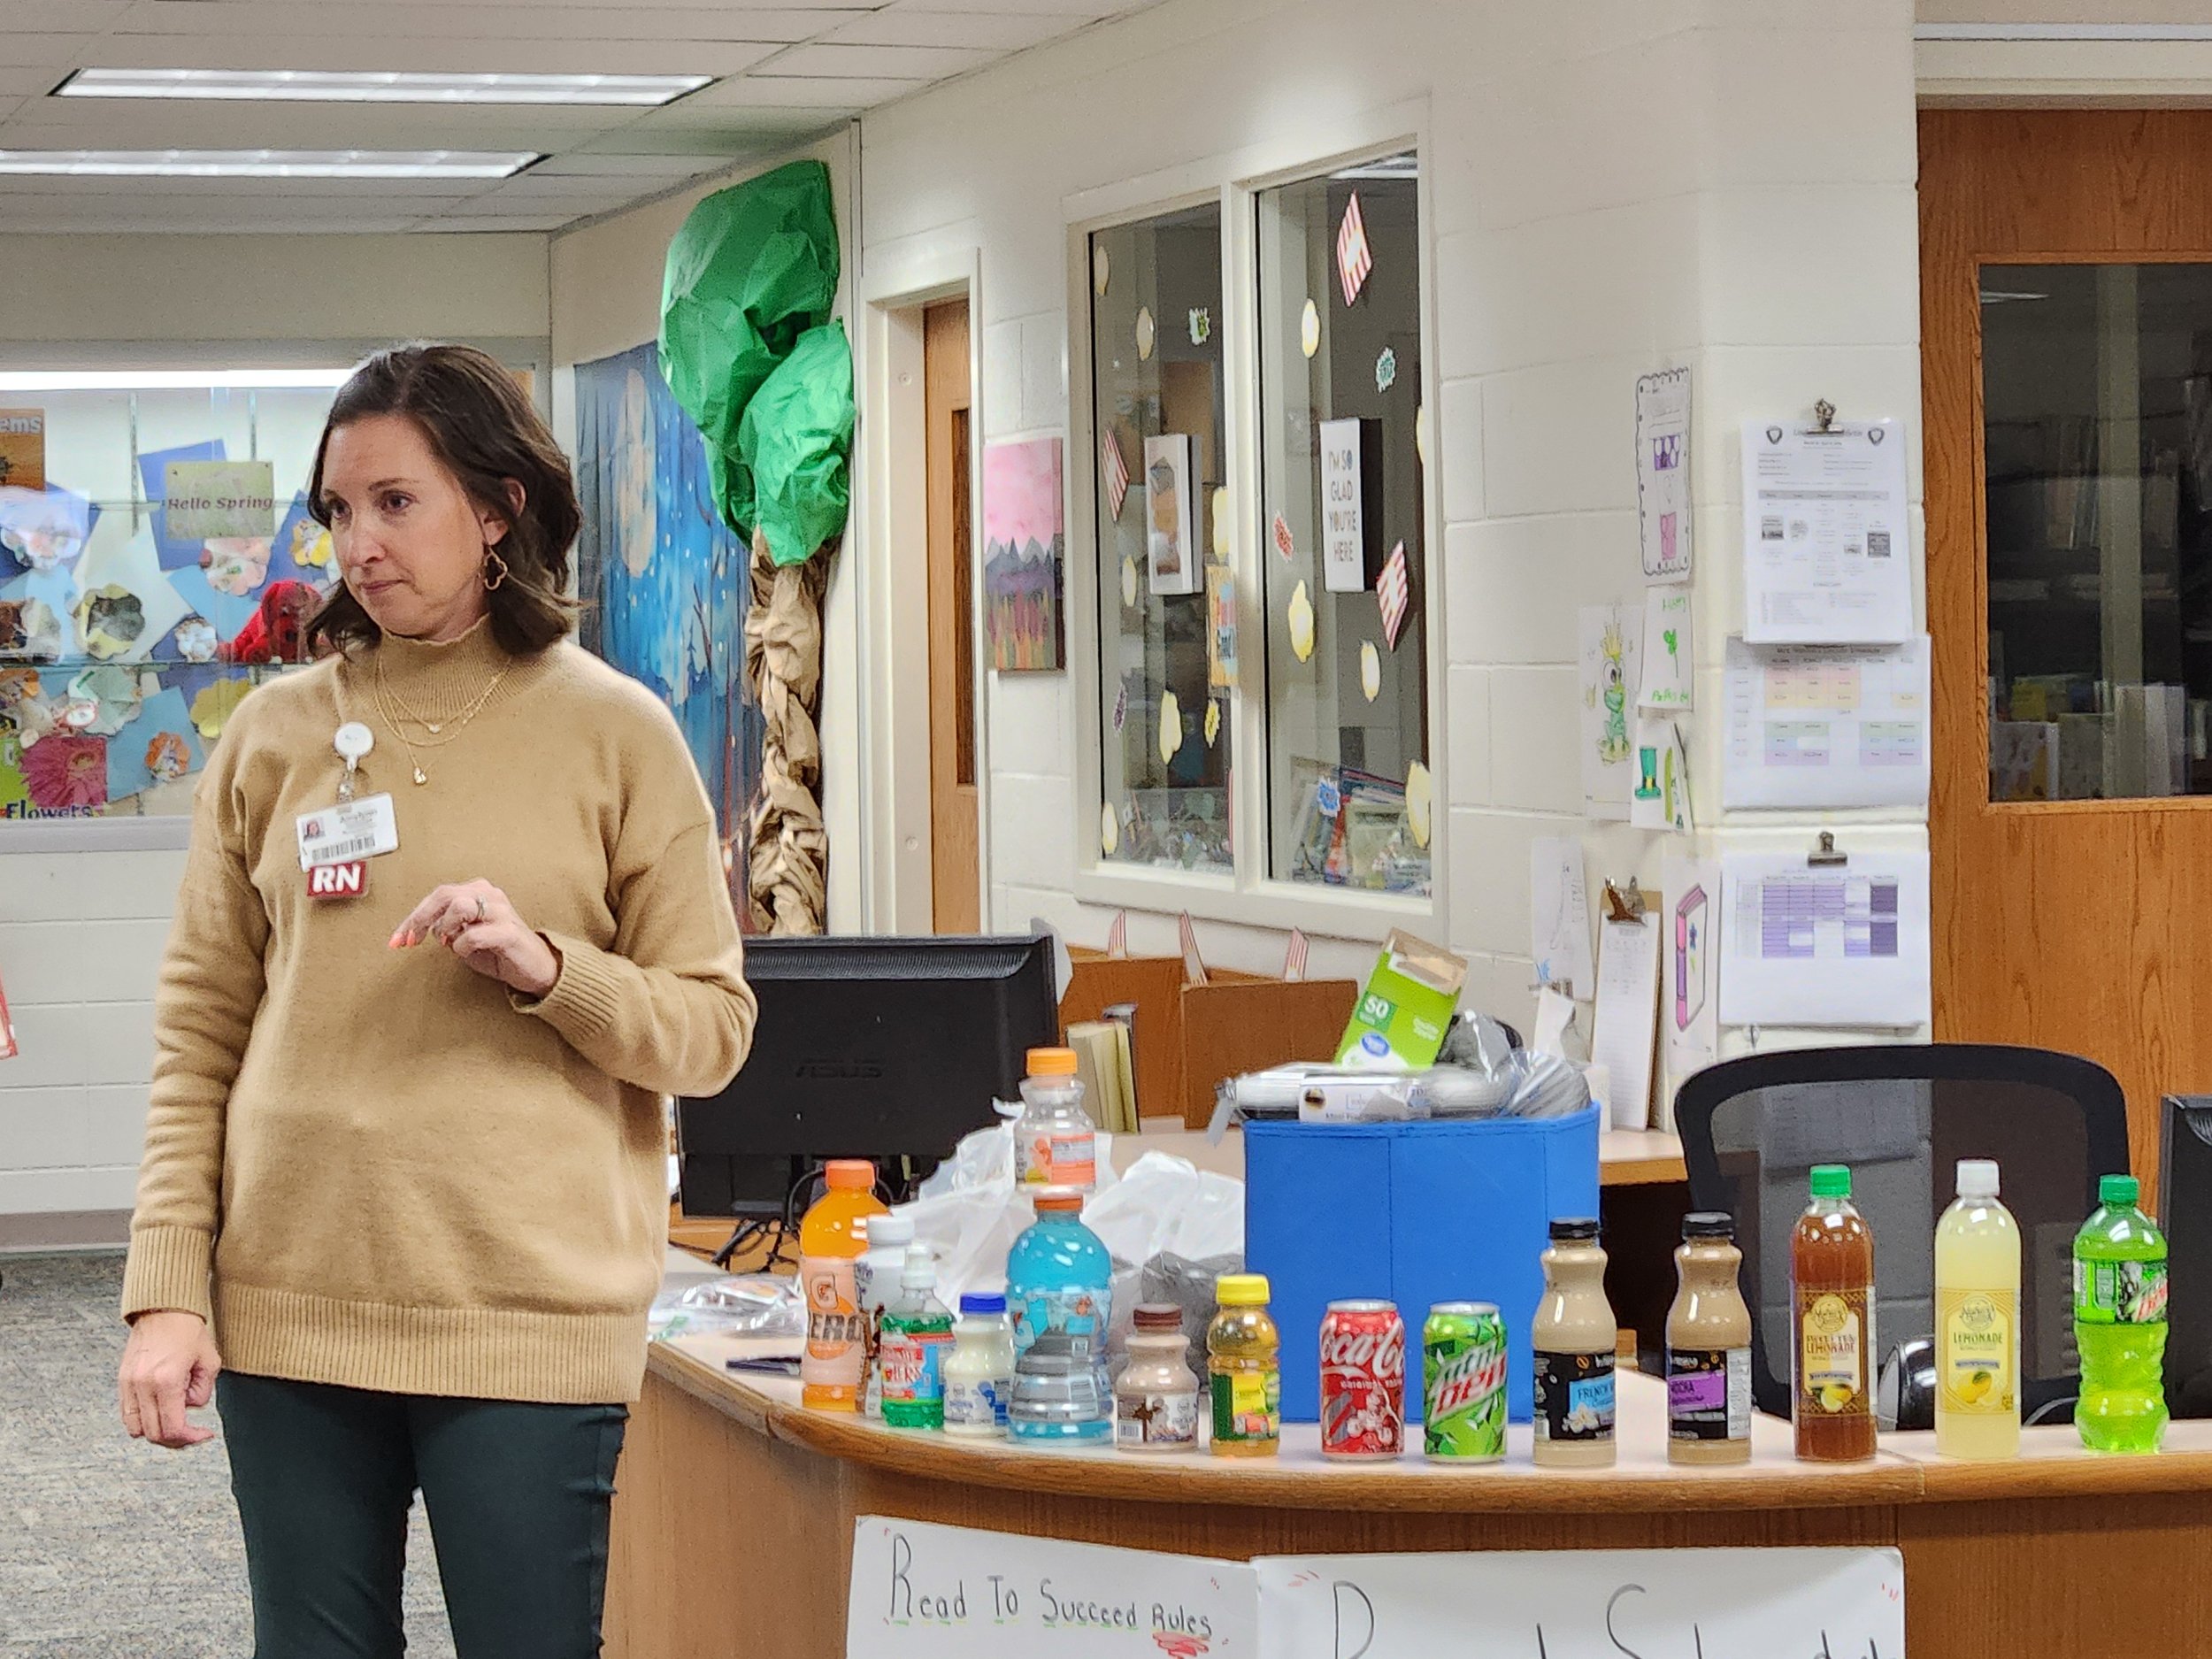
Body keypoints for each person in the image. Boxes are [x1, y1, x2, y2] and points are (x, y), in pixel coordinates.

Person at [115, 343, 757, 1659]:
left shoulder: (619, 732)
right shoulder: (272, 737)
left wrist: (550, 969)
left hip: (525, 1311)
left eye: (396, 502)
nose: (360, 543)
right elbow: (198, 1035)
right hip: (292, 1303)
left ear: (498, 505)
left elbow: (711, 1029)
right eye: (339, 511)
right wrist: (167, 1289)